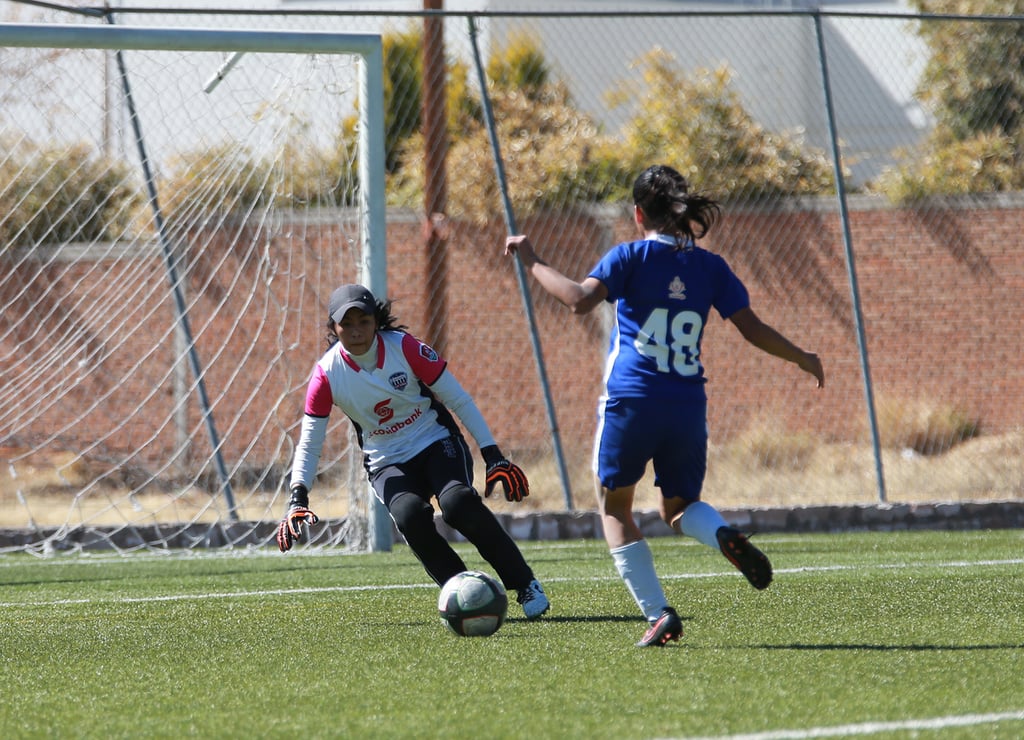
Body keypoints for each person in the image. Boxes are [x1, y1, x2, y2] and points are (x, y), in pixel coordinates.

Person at [504, 164, 823, 646]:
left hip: (632, 399)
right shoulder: (711, 267)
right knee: (678, 507)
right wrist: (801, 357)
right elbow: (751, 328)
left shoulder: (629, 256)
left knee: (614, 509)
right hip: (687, 404)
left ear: (638, 214)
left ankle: (658, 613)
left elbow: (577, 300)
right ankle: (720, 535)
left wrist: (530, 259)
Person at [277, 283, 550, 620]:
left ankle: (524, 583)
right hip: (386, 460)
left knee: (458, 503)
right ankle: (462, 595)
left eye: (363, 321)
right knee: (409, 517)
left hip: (435, 441)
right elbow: (310, 441)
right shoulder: (326, 374)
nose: (356, 331)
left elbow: (458, 398)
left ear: (376, 321)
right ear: (333, 328)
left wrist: (492, 454)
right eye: (346, 324)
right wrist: (298, 497)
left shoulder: (404, 348)